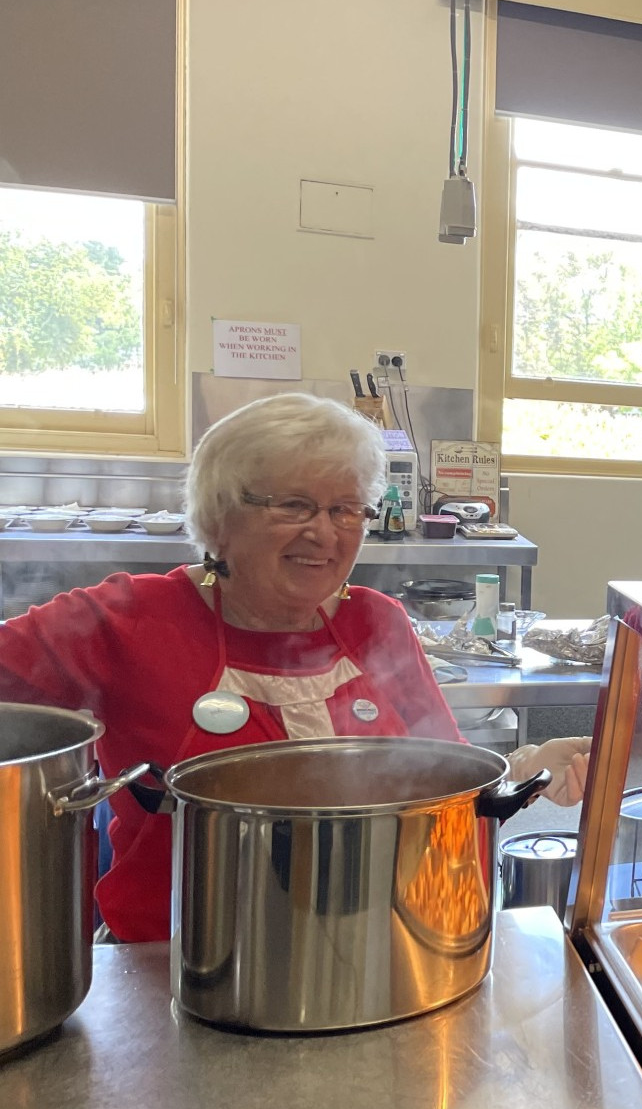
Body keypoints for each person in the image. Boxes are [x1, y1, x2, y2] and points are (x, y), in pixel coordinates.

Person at [0, 393, 587, 943]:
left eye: (345, 508)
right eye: (294, 505)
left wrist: (526, 766)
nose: (324, 533)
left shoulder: (376, 623)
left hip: (378, 951)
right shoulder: (124, 619)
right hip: (180, 965)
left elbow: (445, 779)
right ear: (222, 515)